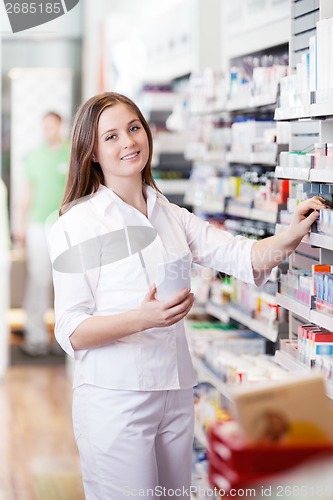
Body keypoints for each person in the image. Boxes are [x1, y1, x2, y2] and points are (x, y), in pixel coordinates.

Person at [47, 92, 327, 499]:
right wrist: (143, 318)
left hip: (175, 391)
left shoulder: (169, 214)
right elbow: (70, 329)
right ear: (90, 151)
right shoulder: (77, 225)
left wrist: (292, 233)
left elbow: (240, 255)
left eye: (133, 128)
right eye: (111, 137)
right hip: (115, 399)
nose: (128, 142)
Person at [15, 111, 70, 356]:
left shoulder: (70, 152)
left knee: (66, 281)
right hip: (37, 225)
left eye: (52, 126)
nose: (48, 130)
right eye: (45, 126)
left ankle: (64, 338)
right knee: (39, 280)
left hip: (65, 224)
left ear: (60, 127)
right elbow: (27, 191)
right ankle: (35, 335)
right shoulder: (34, 157)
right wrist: (20, 224)